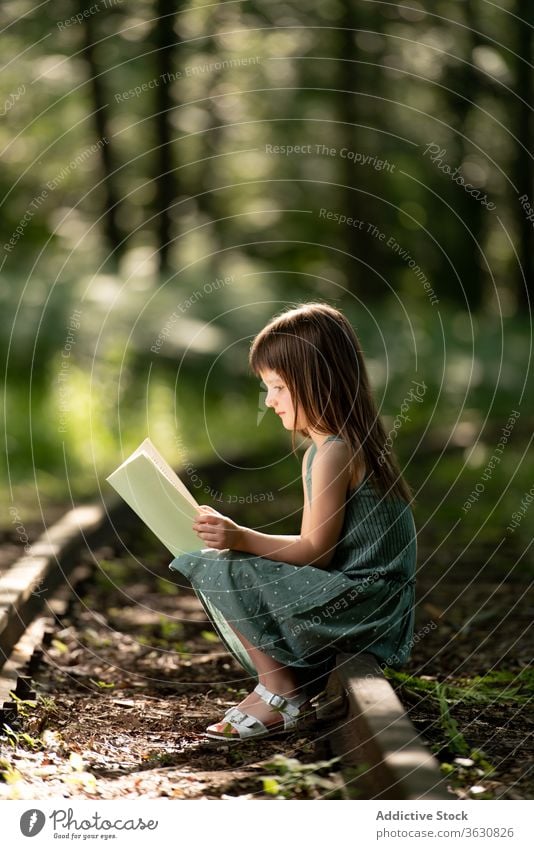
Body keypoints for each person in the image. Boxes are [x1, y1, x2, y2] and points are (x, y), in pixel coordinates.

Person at [169, 301, 417, 741]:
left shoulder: (335, 452)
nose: (270, 401)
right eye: (267, 387)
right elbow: (316, 542)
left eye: (279, 387)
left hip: (367, 602)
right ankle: (281, 683)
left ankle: (280, 689)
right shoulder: (330, 447)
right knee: (225, 556)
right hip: (371, 596)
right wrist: (238, 539)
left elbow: (315, 553)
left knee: (218, 564)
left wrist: (240, 538)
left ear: (317, 382)